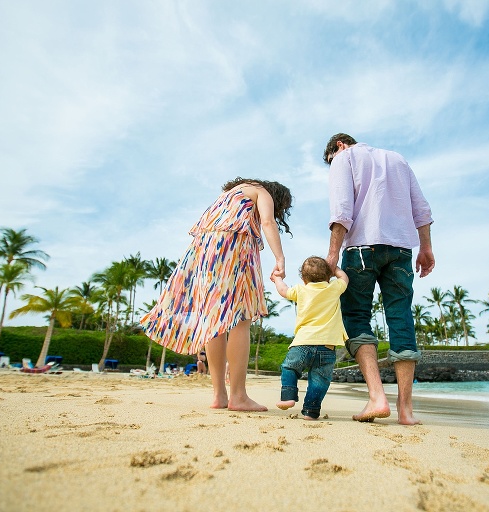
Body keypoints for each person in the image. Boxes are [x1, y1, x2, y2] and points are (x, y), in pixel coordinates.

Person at [141, 177, 293, 411]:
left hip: (206, 252)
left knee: (215, 321)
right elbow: (268, 221)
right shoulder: (261, 192)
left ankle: (219, 396)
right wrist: (280, 258)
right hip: (233, 246)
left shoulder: (229, 195)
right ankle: (238, 396)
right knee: (240, 319)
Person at [323, 133, 435, 425]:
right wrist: (426, 248)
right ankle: (406, 411)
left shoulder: (343, 158)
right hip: (400, 250)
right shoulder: (398, 159)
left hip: (361, 247)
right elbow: (421, 209)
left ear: (339, 146)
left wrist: (332, 254)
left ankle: (377, 397)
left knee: (356, 316)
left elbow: (342, 210)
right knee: (400, 317)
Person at [272, 256, 349, 420]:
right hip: (327, 347)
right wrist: (335, 268)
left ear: (303, 278)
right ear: (328, 277)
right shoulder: (334, 288)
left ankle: (288, 396)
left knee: (290, 368)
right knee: (319, 380)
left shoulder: (301, 289)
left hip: (302, 343)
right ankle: (311, 411)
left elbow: (283, 290)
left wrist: (277, 278)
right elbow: (344, 278)